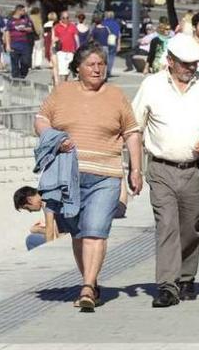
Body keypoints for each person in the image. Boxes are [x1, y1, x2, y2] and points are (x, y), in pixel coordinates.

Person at [130, 34, 199, 307]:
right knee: (166, 227)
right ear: (170, 61)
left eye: (194, 63)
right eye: (185, 63)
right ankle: (167, 285)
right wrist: (134, 169)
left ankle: (186, 277)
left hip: (196, 171)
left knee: (191, 227)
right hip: (161, 169)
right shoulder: (151, 85)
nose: (190, 68)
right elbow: (134, 127)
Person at [35, 43, 138, 311]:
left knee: (95, 231)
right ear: (78, 68)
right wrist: (54, 139)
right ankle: (89, 281)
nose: (97, 68)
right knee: (78, 234)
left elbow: (132, 133)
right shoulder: (62, 92)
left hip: (106, 176)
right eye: (91, 64)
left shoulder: (116, 95)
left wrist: (136, 169)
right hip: (68, 176)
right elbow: (41, 119)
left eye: (101, 64)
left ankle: (88, 287)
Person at [5, 5, 35, 79]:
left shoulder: (26, 19)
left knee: (26, 62)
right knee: (14, 62)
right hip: (14, 43)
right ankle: (16, 78)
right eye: (23, 10)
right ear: (19, 11)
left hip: (25, 44)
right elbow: (7, 32)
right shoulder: (10, 20)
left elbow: (31, 29)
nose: (25, 12)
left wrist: (24, 29)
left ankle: (22, 75)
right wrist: (8, 45)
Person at [52, 11, 79, 82]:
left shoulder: (72, 26)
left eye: (67, 18)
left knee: (68, 71)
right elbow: (54, 39)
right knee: (62, 72)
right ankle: (63, 86)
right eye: (64, 18)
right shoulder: (57, 27)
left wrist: (78, 48)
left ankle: (65, 83)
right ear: (61, 18)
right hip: (61, 52)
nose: (66, 19)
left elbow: (76, 38)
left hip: (71, 52)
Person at [102, 10, 121, 77]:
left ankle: (104, 70)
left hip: (105, 42)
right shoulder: (116, 23)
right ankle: (108, 71)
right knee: (111, 56)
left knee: (104, 56)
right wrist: (119, 45)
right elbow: (118, 35)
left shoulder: (103, 23)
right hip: (113, 41)